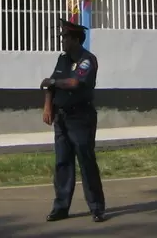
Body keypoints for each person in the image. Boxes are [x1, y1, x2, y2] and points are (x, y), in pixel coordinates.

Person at [40, 19, 106, 223]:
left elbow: (74, 82)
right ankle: (61, 207)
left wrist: (52, 82)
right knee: (62, 163)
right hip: (62, 118)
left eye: (66, 38)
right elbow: (52, 84)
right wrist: (48, 106)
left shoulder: (88, 60)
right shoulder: (62, 59)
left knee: (86, 162)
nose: (63, 42)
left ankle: (96, 207)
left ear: (76, 40)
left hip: (80, 118)